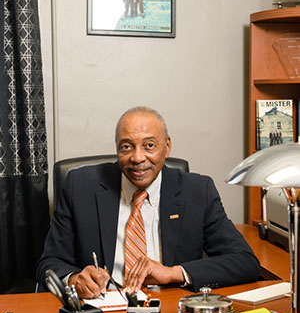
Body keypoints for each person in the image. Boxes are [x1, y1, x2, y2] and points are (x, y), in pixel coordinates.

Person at [36, 107, 260, 298]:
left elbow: (244, 261)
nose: (137, 158)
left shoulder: (197, 191)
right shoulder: (80, 186)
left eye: (149, 146)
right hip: (101, 310)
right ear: (117, 149)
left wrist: (174, 273)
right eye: (127, 147)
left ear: (167, 146)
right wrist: (74, 279)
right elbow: (50, 262)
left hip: (171, 310)